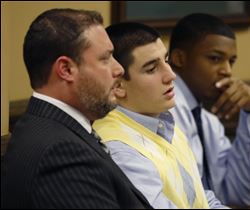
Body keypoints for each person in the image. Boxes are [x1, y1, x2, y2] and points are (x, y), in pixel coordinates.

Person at [93, 22, 250, 209]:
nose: (171, 75)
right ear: (118, 86)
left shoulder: (162, 122)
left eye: (165, 61)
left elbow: (202, 200)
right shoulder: (119, 148)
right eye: (151, 69)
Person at [1, 8, 152, 209]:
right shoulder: (60, 154)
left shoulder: (55, 128)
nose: (119, 69)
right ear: (66, 69)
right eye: (105, 58)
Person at [168, 13, 250, 207]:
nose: (227, 70)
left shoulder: (208, 122)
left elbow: (240, 194)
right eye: (215, 58)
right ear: (179, 58)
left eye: (231, 61)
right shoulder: (164, 113)